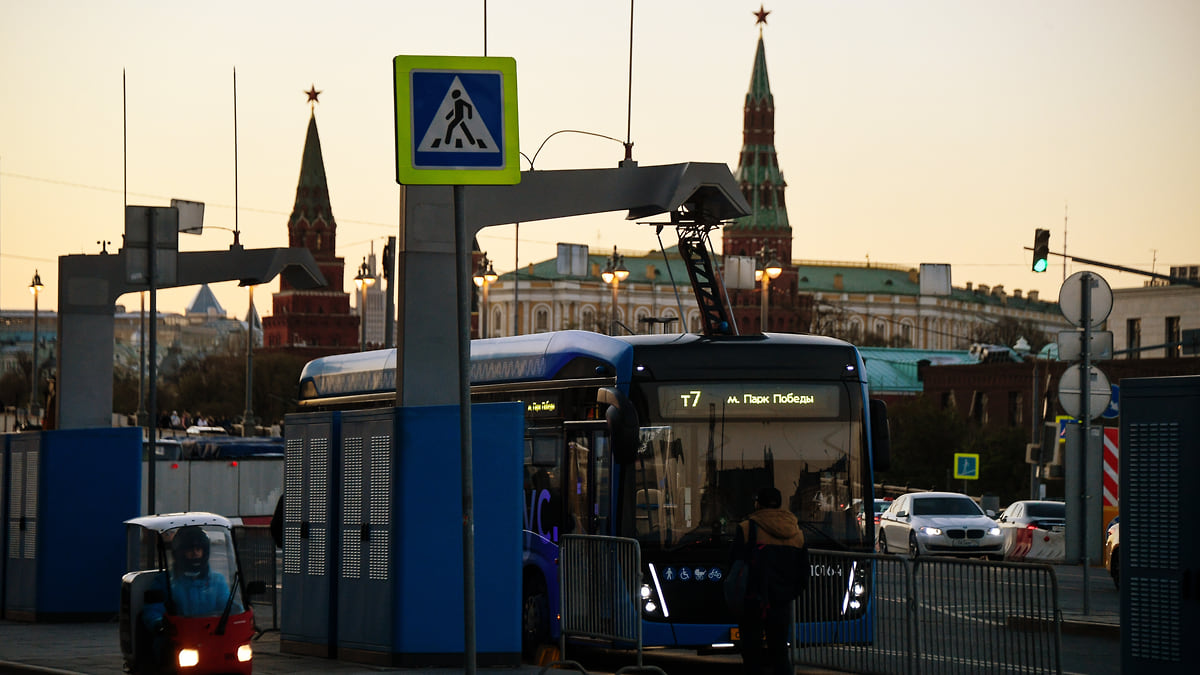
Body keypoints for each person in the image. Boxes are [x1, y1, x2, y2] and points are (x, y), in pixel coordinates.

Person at [730, 486, 808, 675]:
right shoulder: (796, 532)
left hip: (753, 601)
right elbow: (803, 572)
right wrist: (788, 594)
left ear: (758, 504)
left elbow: (734, 565)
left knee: (751, 654)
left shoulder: (747, 528)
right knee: (780, 653)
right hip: (781, 603)